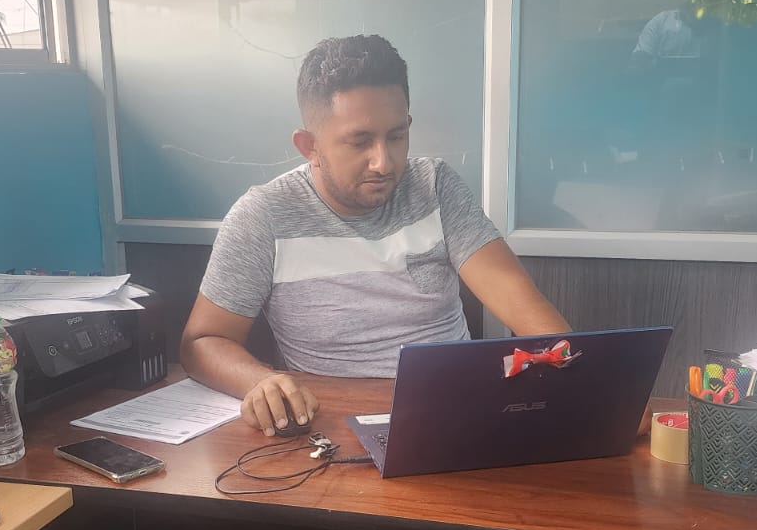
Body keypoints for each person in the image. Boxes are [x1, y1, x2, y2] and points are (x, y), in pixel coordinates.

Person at [180, 34, 573, 436]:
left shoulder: (434, 187)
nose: (383, 162)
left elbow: (518, 298)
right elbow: (202, 341)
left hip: (456, 412)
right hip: (332, 423)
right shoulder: (263, 216)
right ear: (309, 146)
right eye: (360, 142)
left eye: (396, 136)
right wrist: (260, 382)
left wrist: (577, 375)